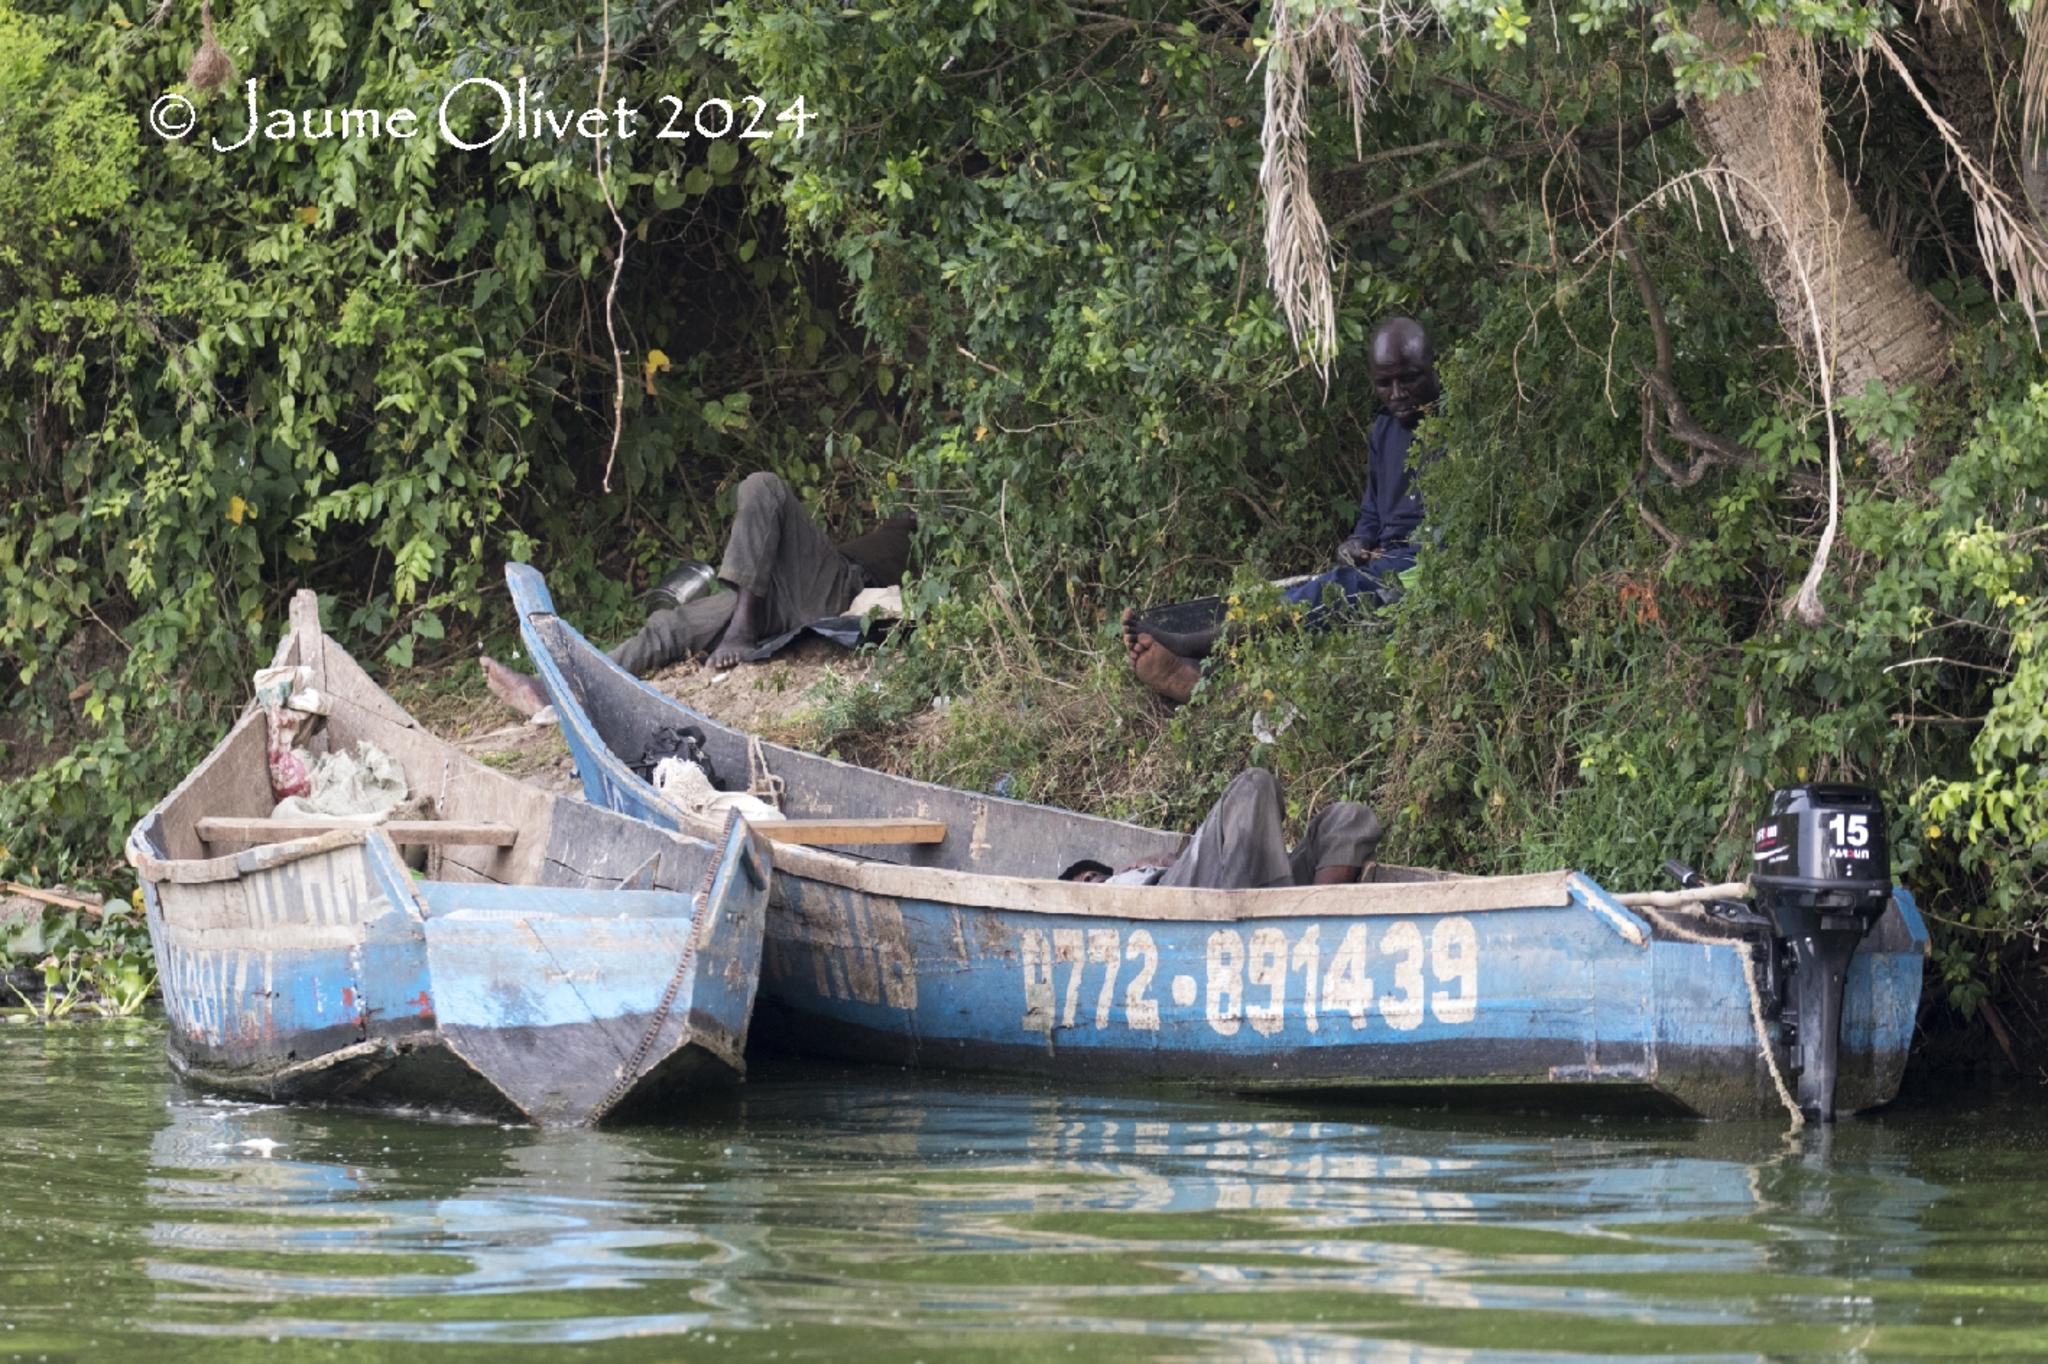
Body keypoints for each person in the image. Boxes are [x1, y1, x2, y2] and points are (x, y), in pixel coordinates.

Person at [1122, 316, 1440, 705]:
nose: (1397, 393)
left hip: (1419, 572)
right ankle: (1198, 675)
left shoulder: (1459, 424)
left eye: (1408, 379)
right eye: (1384, 383)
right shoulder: (1383, 430)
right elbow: (1372, 515)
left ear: (1432, 367)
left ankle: (1194, 645)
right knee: (1291, 594)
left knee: (1330, 594)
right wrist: (1357, 541)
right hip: (1379, 564)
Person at [483, 471, 914, 717]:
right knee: (670, 626)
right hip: (795, 592)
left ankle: (741, 629)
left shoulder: (916, 531)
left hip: (840, 589)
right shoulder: (892, 526)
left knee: (763, 486)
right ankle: (555, 689)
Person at [1059, 769, 1381, 890]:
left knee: (1349, 818)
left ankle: (1310, 917)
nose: (1089, 882)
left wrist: (1168, 862)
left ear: (1127, 867)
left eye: (1090, 877)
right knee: (1252, 785)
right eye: (1083, 884)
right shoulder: (1106, 904)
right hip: (1185, 905)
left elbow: (1198, 865)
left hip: (1227, 886)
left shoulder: (1138, 873)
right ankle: (1286, 916)